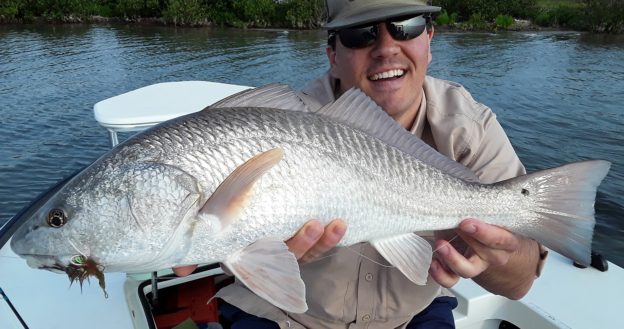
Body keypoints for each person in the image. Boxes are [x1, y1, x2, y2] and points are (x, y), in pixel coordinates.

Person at [176, 0, 548, 328]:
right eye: (360, 33)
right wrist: (234, 246)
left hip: (410, 316)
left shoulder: (470, 126)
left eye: (407, 25)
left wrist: (498, 253)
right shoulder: (282, 122)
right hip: (281, 315)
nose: (387, 48)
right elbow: (229, 248)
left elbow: (518, 284)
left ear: (429, 39)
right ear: (332, 54)